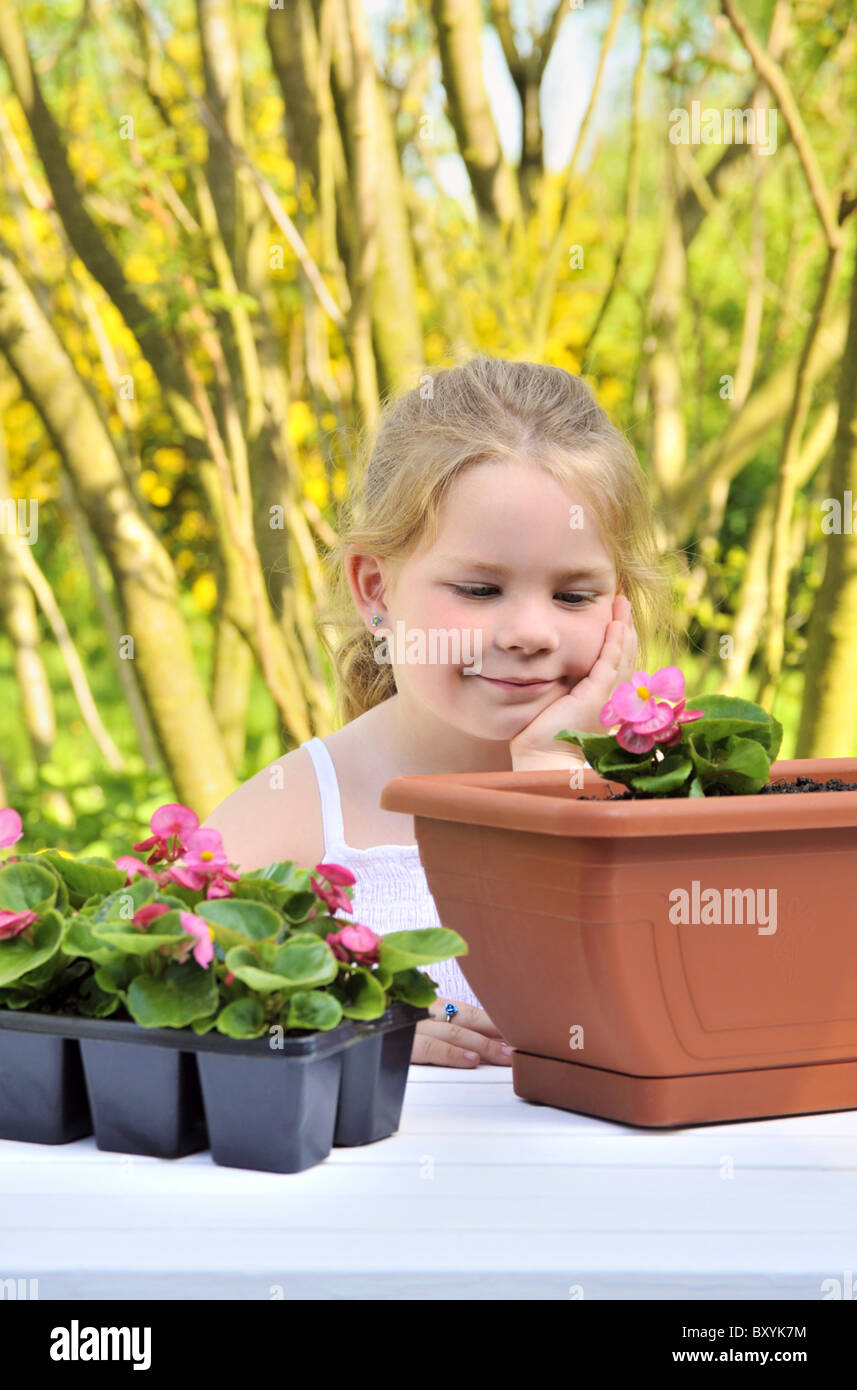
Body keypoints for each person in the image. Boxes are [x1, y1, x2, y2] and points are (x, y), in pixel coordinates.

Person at [202, 356, 678, 1068]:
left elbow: (662, 1014)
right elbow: (151, 999)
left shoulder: (667, 799)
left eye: (573, 596)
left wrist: (547, 781)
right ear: (375, 590)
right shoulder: (291, 815)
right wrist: (340, 1016)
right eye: (478, 589)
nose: (529, 632)